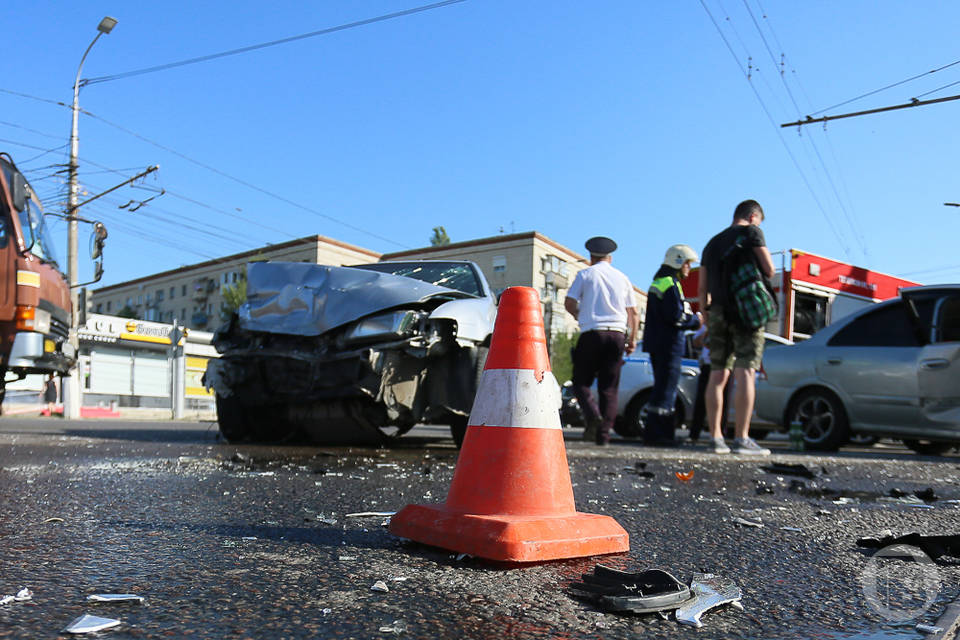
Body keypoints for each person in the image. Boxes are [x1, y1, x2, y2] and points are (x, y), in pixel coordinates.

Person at [698, 199, 775, 455]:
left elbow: (702, 289)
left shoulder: (711, 244)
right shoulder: (752, 232)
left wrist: (707, 320)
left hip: (718, 311)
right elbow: (770, 269)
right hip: (746, 311)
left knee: (718, 374)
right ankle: (742, 439)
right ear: (753, 216)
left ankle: (716, 438)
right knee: (745, 372)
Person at [564, 236, 638, 446]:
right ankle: (603, 436)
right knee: (609, 388)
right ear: (610, 257)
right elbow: (633, 313)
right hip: (617, 335)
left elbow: (569, 302)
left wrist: (580, 315)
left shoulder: (585, 274)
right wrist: (632, 340)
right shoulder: (623, 278)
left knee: (580, 382)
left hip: (591, 333)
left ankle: (593, 414)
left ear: (591, 257)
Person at [641, 244, 702, 445]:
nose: (688, 268)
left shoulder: (660, 281)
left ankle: (657, 433)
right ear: (677, 262)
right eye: (687, 264)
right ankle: (660, 435)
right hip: (668, 345)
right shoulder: (670, 284)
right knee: (666, 391)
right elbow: (675, 317)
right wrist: (696, 320)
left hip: (658, 344)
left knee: (661, 389)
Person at [689, 325, 730, 442]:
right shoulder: (707, 326)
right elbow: (696, 342)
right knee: (701, 401)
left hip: (723, 364)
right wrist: (707, 331)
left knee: (724, 401)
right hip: (708, 364)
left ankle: (720, 431)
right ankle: (694, 433)